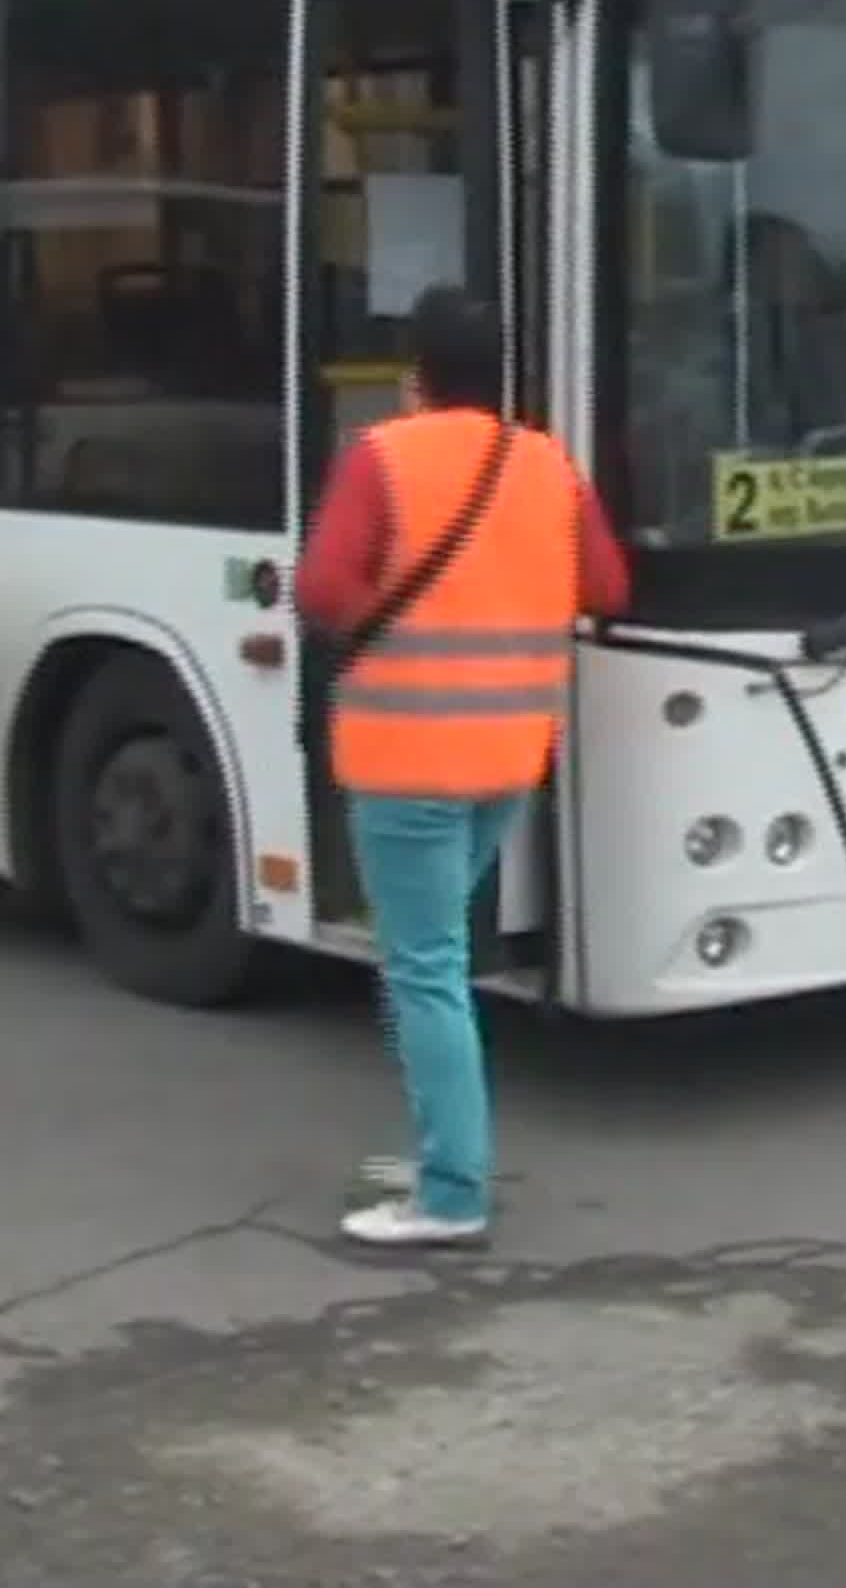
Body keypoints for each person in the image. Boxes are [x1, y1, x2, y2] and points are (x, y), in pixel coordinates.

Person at [290, 282, 631, 1248]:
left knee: (424, 969)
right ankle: (448, 1145)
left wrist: (392, 629)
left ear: (417, 375)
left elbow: (322, 587)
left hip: (407, 758)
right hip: (511, 757)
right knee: (436, 961)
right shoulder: (546, 464)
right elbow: (606, 585)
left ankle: (449, 1193)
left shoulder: (383, 456)